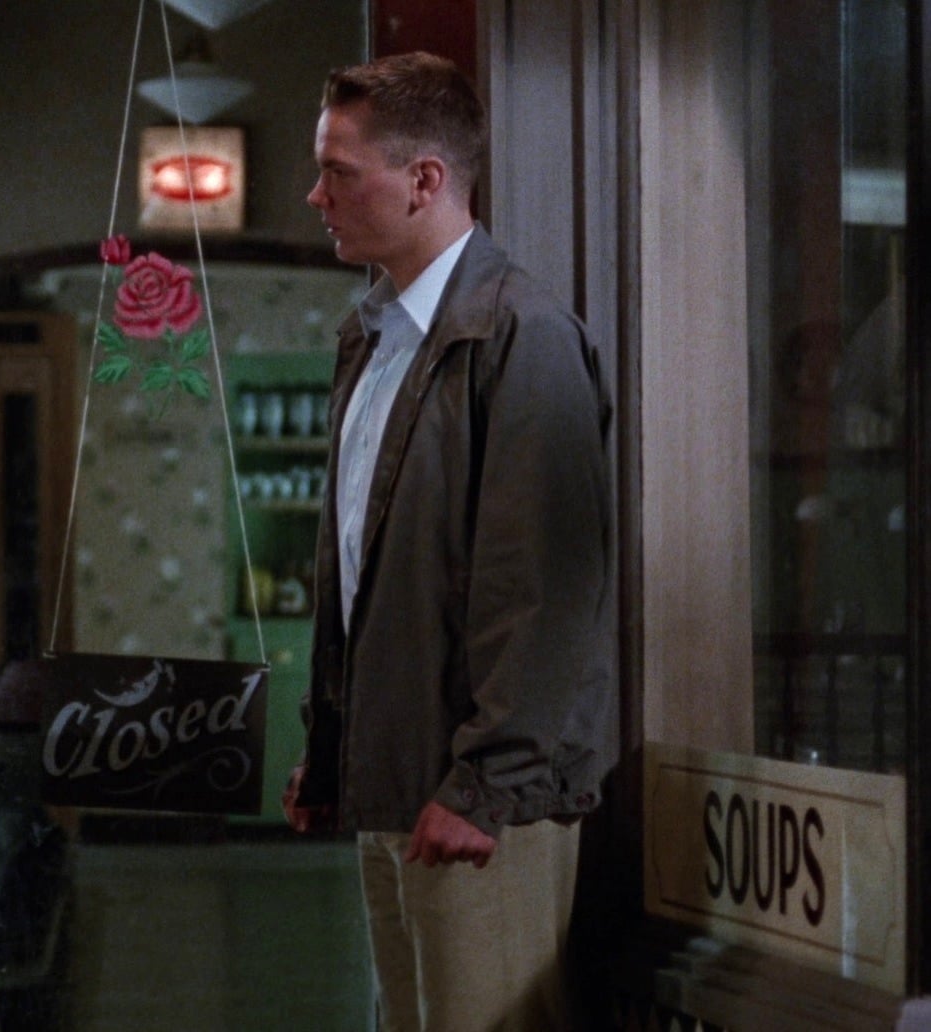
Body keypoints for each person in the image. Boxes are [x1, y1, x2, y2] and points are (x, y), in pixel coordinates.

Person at [282, 53, 617, 1031]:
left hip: (482, 803)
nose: (316, 195)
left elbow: (546, 590)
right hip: (400, 787)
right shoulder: (377, 337)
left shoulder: (524, 335)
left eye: (338, 171)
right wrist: (335, 749)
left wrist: (488, 784)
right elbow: (361, 569)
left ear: (426, 180)